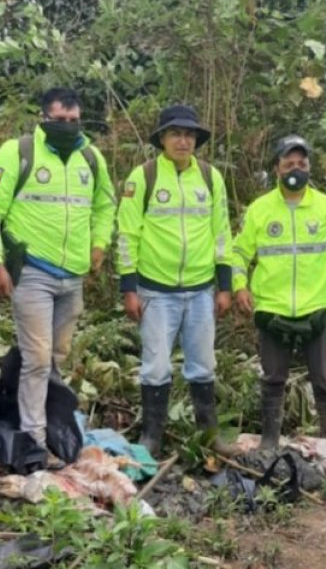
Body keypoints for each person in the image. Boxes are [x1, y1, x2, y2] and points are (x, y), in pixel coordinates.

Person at [0, 87, 116, 466]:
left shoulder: (90, 158)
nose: (67, 126)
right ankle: (34, 442)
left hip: (72, 275)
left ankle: (23, 405)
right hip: (32, 271)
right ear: (44, 118)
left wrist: (99, 244)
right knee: (40, 357)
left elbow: (105, 205)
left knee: (53, 356)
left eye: (73, 121)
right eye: (59, 120)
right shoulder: (18, 152)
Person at [231, 135, 326, 474]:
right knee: (273, 379)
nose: (295, 170)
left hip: (318, 308)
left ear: (309, 168)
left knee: (325, 381)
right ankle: (270, 441)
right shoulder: (261, 209)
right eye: (288, 164)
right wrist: (239, 285)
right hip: (272, 309)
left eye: (301, 164)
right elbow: (239, 253)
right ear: (276, 168)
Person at [115, 105, 234, 456]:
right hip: (155, 290)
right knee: (156, 366)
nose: (183, 141)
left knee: (203, 363)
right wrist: (128, 287)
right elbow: (127, 234)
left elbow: (222, 233)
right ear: (162, 139)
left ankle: (208, 436)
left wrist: (224, 285)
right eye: (175, 134)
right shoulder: (144, 177)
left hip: (200, 290)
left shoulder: (211, 178)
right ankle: (153, 437)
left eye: (189, 135)